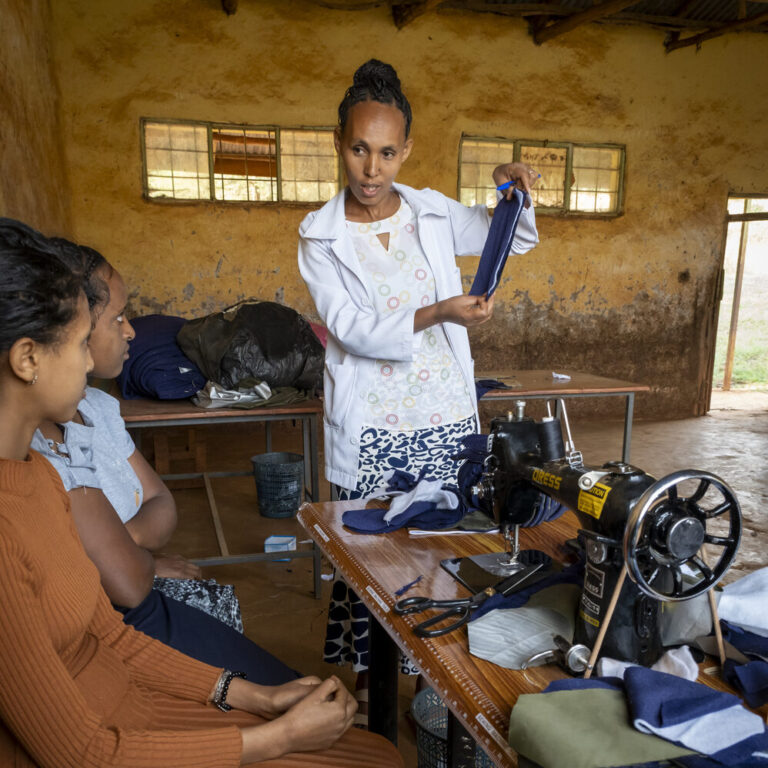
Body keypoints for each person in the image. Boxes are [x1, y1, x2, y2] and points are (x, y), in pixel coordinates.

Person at [0, 226, 403, 767]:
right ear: (27, 359)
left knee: (373, 753)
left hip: (129, 704)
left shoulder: (40, 479)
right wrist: (278, 738)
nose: (90, 363)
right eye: (79, 344)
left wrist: (257, 698)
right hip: (108, 741)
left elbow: (114, 640)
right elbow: (84, 754)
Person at [297, 60, 540, 703]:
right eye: (358, 149)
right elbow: (350, 327)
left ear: (405, 150)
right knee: (370, 557)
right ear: (339, 144)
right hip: (374, 427)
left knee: (438, 547)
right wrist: (438, 312)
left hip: (443, 418)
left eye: (386, 152)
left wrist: (508, 188)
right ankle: (366, 686)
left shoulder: (430, 211)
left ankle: (430, 685)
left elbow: (506, 236)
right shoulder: (320, 237)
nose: (371, 169)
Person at [0, 218, 294, 685]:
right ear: (30, 356)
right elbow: (124, 588)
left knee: (269, 674)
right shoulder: (34, 457)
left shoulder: (94, 411)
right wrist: (130, 560)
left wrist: (120, 546)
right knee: (282, 692)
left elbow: (161, 505)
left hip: (129, 607)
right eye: (113, 320)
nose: (130, 332)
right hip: (120, 620)